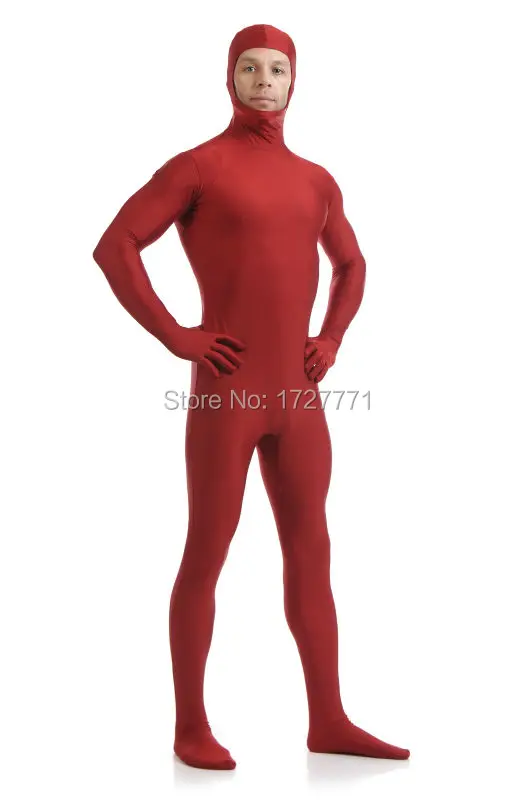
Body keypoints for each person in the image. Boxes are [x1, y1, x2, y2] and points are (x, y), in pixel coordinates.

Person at [93, 23, 410, 770]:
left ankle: (328, 719)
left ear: (295, 82)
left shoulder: (317, 181)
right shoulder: (198, 167)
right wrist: (176, 334)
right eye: (249, 67)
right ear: (228, 78)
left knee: (312, 551)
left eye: (278, 69)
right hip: (226, 393)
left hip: (299, 397)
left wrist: (332, 338)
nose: (264, 79)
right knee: (208, 547)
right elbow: (115, 245)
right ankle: (190, 727)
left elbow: (353, 264)